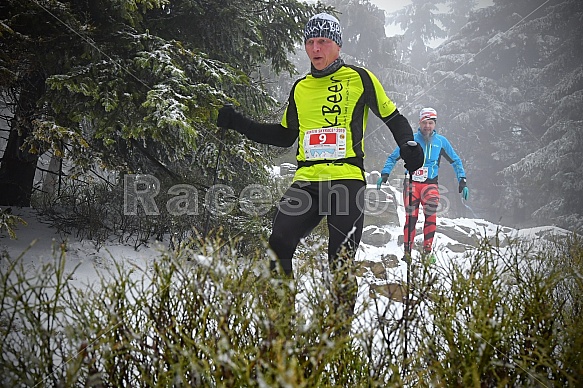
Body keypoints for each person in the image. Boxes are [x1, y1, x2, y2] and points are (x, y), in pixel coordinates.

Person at [217, 13, 424, 319]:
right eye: (310, 42)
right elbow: (285, 135)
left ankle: (337, 339)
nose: (316, 48)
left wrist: (408, 144)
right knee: (279, 240)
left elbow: (393, 117)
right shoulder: (300, 89)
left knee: (339, 262)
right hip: (307, 182)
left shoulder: (360, 79)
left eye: (323, 42)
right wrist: (239, 123)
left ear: (337, 45)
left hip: (346, 179)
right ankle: (281, 326)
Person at [376, 107, 468, 262]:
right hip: (411, 184)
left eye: (431, 123)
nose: (427, 126)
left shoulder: (441, 142)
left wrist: (462, 180)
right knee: (411, 218)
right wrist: (385, 173)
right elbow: (392, 157)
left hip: (430, 184)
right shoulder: (411, 140)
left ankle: (427, 252)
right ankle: (407, 253)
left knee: (430, 216)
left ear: (435, 124)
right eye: (425, 122)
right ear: (420, 122)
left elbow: (456, 160)